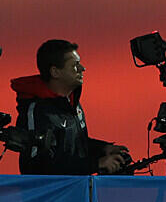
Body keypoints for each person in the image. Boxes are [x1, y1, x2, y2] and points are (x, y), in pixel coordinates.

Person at [11, 39, 129, 175]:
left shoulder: (71, 103)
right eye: (75, 65)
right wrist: (96, 164)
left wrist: (104, 149)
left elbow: (75, 146)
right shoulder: (37, 111)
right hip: (52, 195)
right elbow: (38, 167)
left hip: (75, 191)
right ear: (55, 72)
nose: (82, 68)